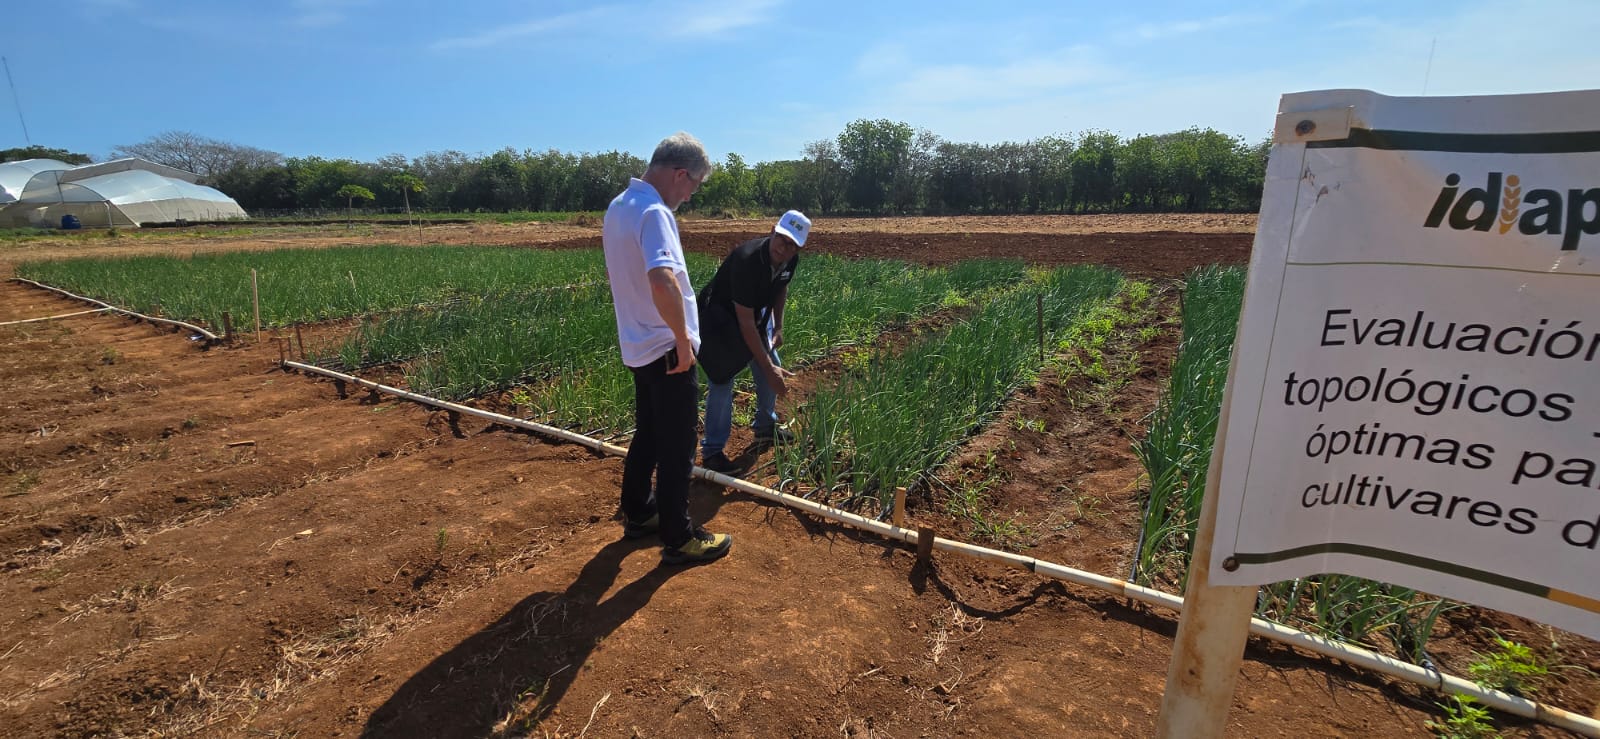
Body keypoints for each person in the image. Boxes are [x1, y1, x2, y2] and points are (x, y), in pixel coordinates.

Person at [601, 132, 732, 565]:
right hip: (665, 347)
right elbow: (662, 280)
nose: (690, 195)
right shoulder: (655, 212)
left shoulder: (619, 206)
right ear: (679, 173)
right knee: (678, 445)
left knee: (650, 433)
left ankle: (639, 511)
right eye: (693, 185)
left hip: (639, 345)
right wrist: (682, 341)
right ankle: (679, 537)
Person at [695, 209, 811, 475]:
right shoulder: (747, 260)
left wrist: (778, 326)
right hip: (718, 320)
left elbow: (781, 287)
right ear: (772, 231)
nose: (783, 248)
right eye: (781, 239)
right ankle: (712, 452)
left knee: (771, 361)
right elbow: (745, 324)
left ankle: (765, 427)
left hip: (748, 317)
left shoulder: (790, 260)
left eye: (792, 244)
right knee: (722, 379)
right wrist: (769, 370)